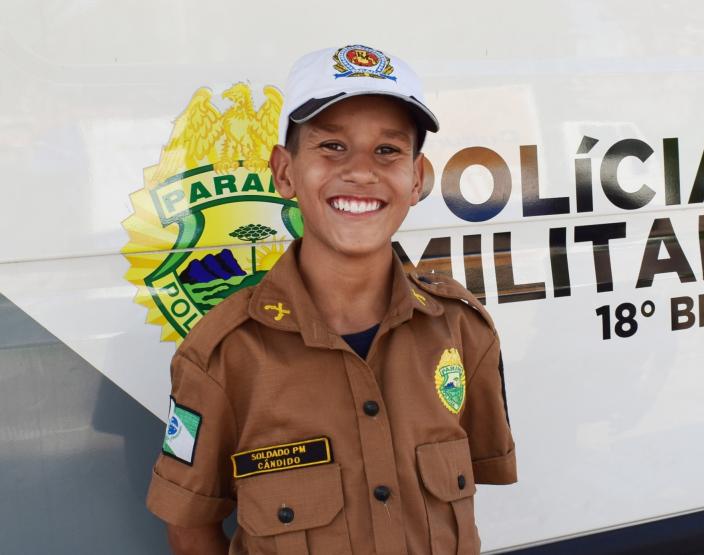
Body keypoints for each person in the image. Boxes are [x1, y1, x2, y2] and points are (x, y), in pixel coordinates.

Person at [146, 44, 517, 555]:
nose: (362, 171)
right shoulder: (223, 356)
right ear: (285, 172)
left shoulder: (461, 331)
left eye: (388, 150)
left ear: (416, 178)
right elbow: (190, 532)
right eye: (332, 147)